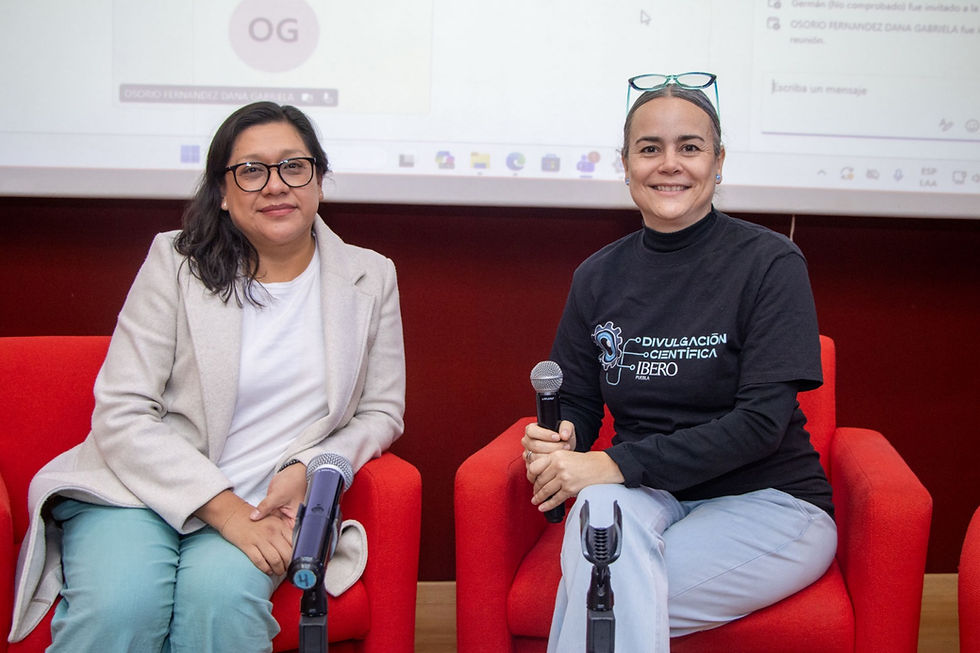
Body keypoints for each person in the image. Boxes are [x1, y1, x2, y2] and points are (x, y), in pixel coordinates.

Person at [7, 101, 406, 652]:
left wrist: (307, 466)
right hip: (138, 492)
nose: (276, 185)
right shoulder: (174, 262)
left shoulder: (371, 276)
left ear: (319, 179)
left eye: (294, 166)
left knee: (220, 604)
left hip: (266, 502)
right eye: (251, 170)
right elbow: (121, 411)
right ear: (221, 191)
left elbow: (381, 412)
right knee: (122, 608)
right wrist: (224, 511)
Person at [521, 75, 837, 652]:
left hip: (767, 501)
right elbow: (582, 402)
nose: (669, 164)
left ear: (719, 163)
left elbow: (762, 425)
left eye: (689, 147)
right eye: (650, 149)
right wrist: (566, 439)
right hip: (650, 494)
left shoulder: (771, 262)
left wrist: (609, 464)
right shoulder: (597, 275)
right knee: (597, 509)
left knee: (601, 593)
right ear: (625, 165)